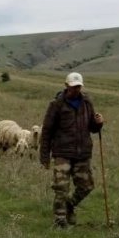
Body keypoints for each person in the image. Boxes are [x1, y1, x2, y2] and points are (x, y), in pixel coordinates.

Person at [40, 72, 104, 228]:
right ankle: (60, 221)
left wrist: (99, 123)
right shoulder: (56, 104)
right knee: (61, 188)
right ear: (66, 86)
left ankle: (69, 206)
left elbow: (92, 128)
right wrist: (44, 156)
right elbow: (47, 130)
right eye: (73, 87)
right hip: (62, 152)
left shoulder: (87, 102)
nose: (76, 90)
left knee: (86, 186)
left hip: (82, 152)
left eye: (78, 87)